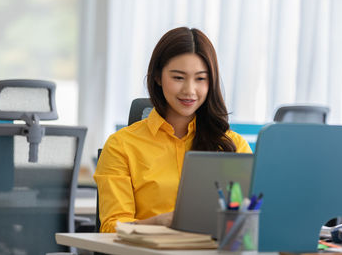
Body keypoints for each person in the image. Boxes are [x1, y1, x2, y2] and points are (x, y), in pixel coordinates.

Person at [94, 27, 252, 233]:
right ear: (158, 77)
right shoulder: (121, 145)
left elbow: (249, 219)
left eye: (200, 79)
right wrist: (158, 222)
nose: (189, 90)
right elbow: (111, 228)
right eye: (178, 77)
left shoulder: (233, 146)